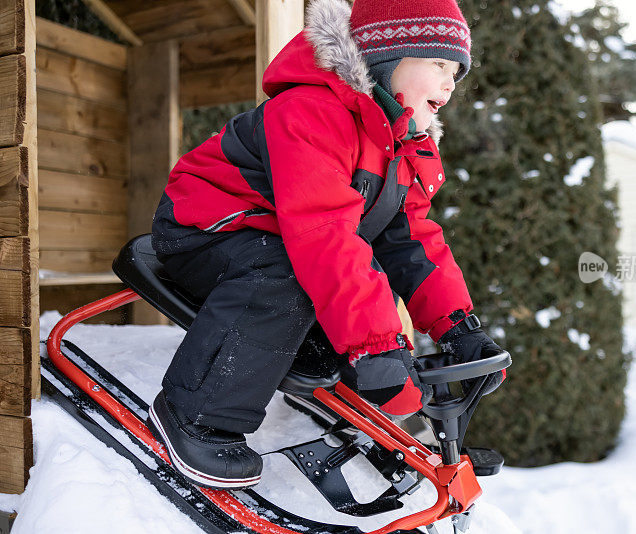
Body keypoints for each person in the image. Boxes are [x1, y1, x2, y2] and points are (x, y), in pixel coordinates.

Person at [146, 0, 506, 490]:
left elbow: (411, 243)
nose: (450, 83)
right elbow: (325, 236)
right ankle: (196, 415)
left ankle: (301, 353)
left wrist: (457, 326)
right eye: (439, 64)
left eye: (456, 73)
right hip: (208, 228)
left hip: (282, 234)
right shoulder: (313, 111)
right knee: (292, 273)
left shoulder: (402, 146)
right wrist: (377, 346)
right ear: (386, 55)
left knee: (344, 280)